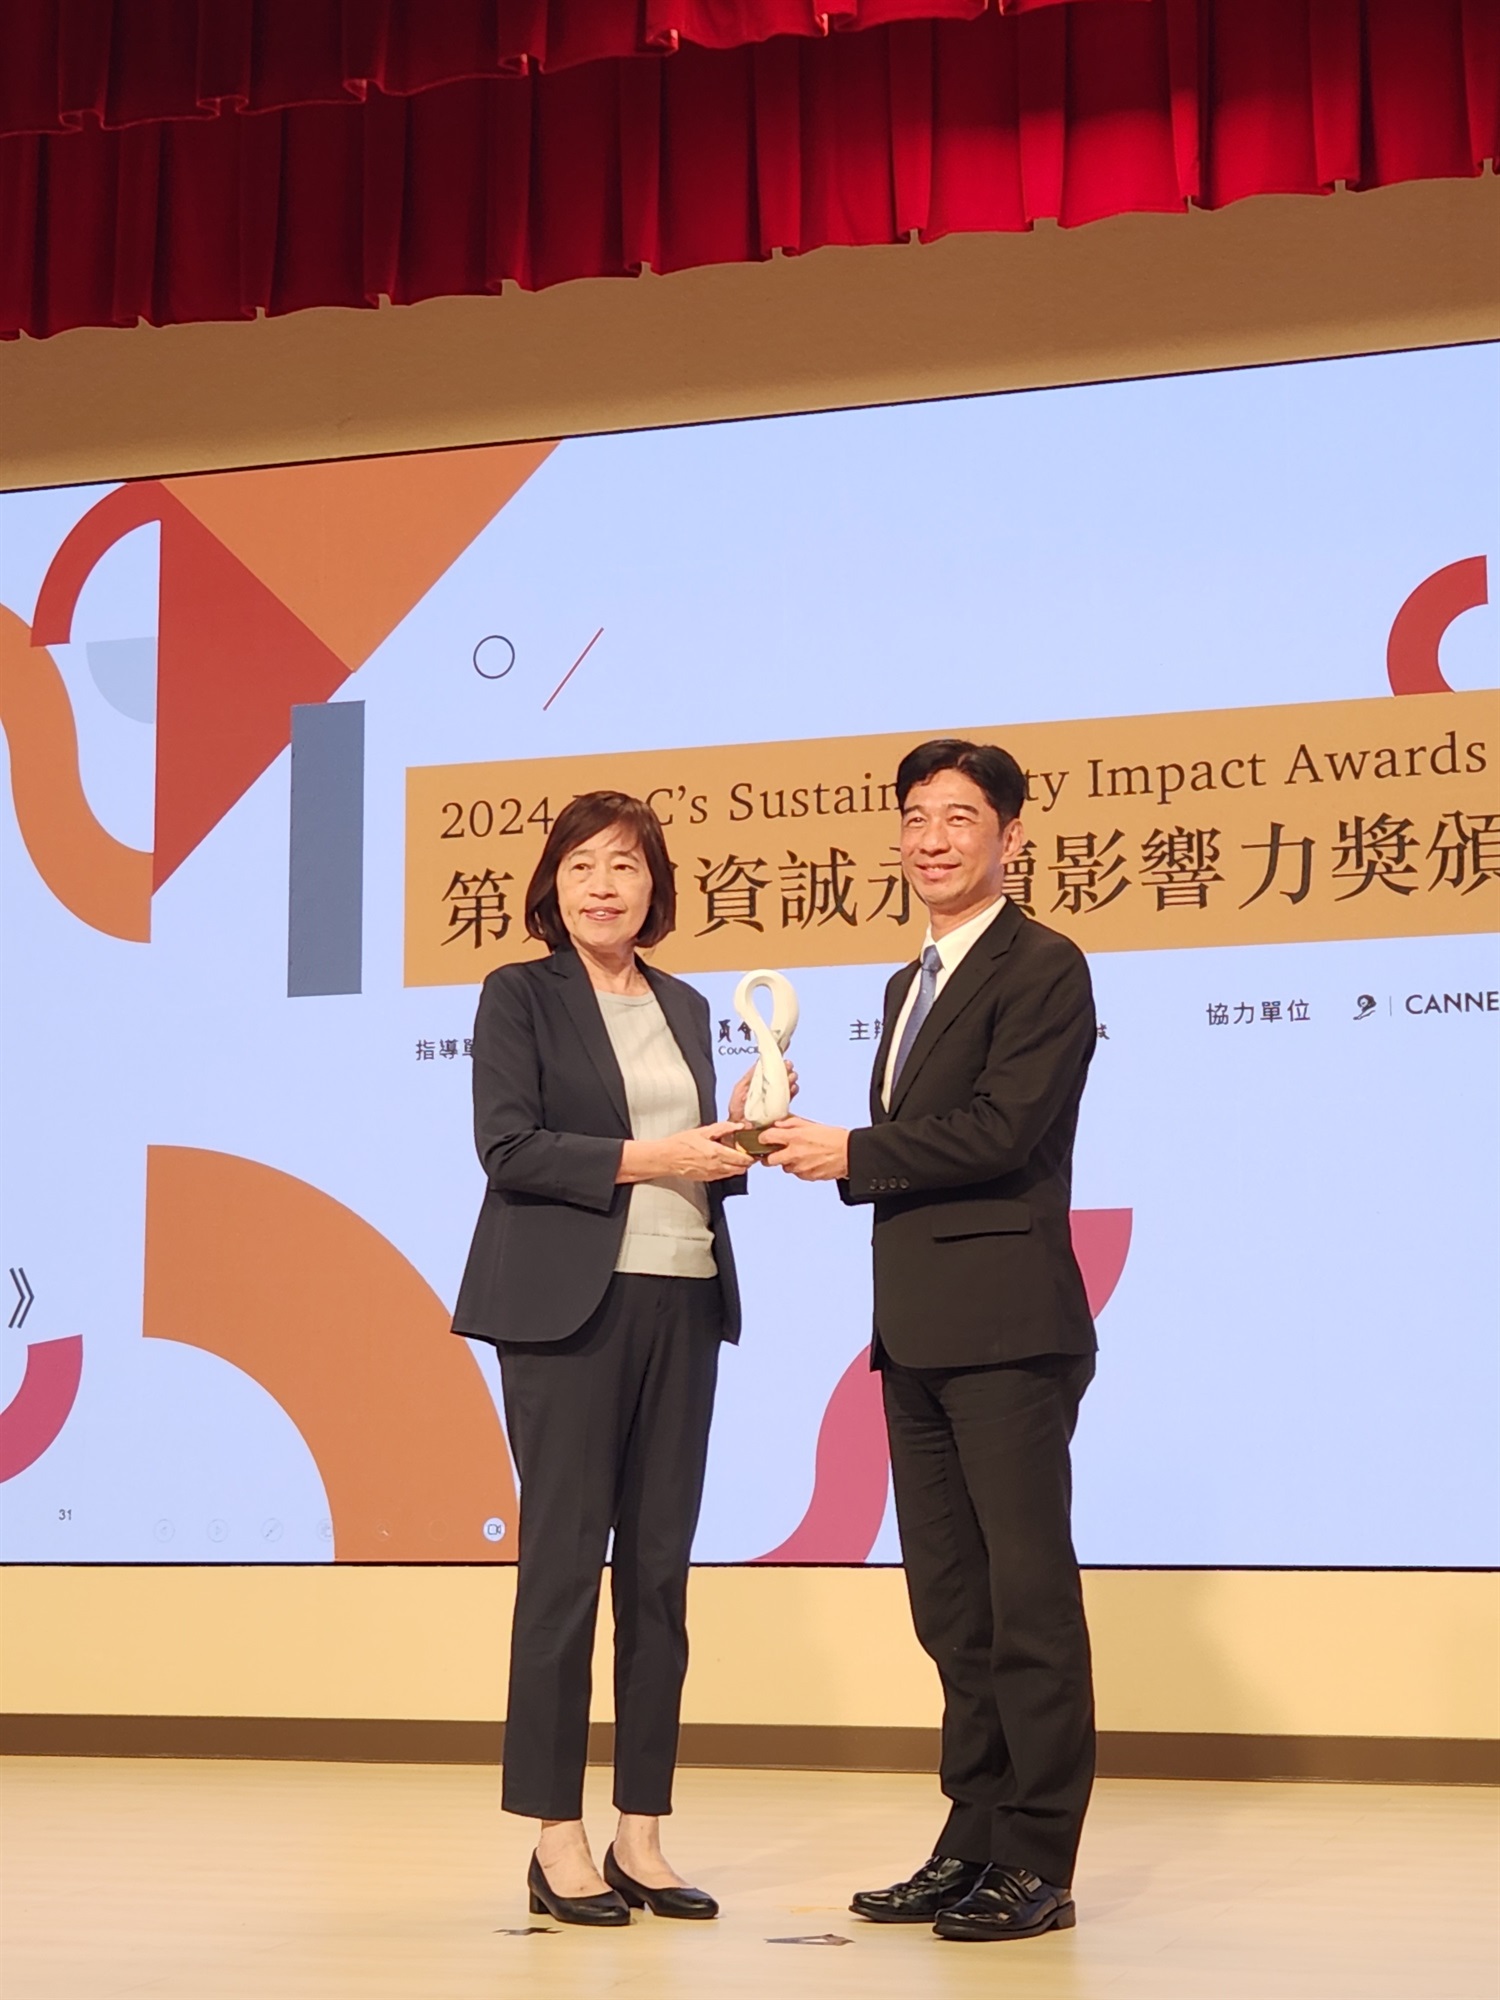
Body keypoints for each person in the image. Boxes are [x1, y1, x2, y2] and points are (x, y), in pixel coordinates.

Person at [761, 738, 1099, 1944]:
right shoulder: (910, 981)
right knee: (952, 1603)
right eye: (915, 816)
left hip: (1008, 1328)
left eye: (960, 815)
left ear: (1011, 835)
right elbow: (922, 1139)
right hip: (914, 1330)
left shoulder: (1045, 963)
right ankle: (972, 1836)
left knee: (1027, 1599)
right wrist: (791, 1130)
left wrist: (852, 1148)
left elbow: (1003, 1129)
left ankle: (1038, 1857)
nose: (932, 838)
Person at [452, 790, 762, 1928]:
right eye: (582, 864)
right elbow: (510, 1147)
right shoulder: (518, 994)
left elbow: (694, 1164)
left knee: (660, 1577)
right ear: (552, 883)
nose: (603, 885)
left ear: (653, 887)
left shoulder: (685, 1004)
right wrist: (655, 1154)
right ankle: (555, 1836)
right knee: (564, 1571)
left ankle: (642, 1832)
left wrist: (737, 1136)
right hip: (564, 1311)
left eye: (625, 865)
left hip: (683, 1297)